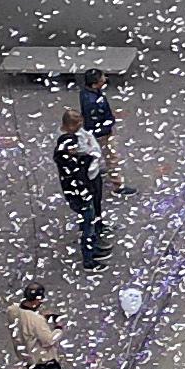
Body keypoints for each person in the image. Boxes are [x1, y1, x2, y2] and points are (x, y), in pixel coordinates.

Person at [13, 284, 79, 369]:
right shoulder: (35, 321)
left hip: (28, 357)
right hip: (44, 359)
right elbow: (48, 340)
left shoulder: (15, 310)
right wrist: (59, 328)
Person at [54, 112, 108, 268]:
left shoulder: (72, 159)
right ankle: (89, 260)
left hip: (83, 191)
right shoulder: (69, 164)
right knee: (87, 225)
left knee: (89, 222)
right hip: (80, 195)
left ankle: (92, 248)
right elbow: (80, 175)